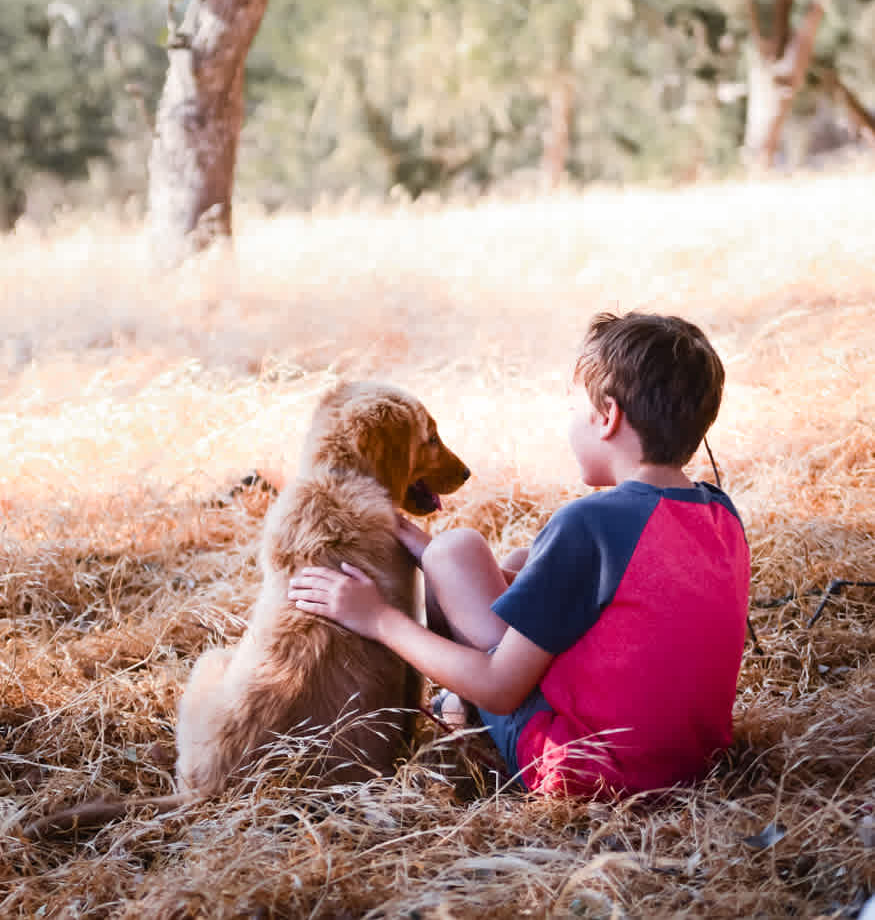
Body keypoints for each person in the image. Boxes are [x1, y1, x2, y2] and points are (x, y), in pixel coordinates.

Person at [289, 311, 751, 798]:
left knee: (459, 549)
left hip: (589, 771)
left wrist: (378, 618)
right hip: (696, 765)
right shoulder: (720, 514)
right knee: (509, 560)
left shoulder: (590, 525)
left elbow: (499, 687)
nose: (570, 423)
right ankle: (455, 595)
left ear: (608, 417)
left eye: (572, 410)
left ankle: (459, 717)